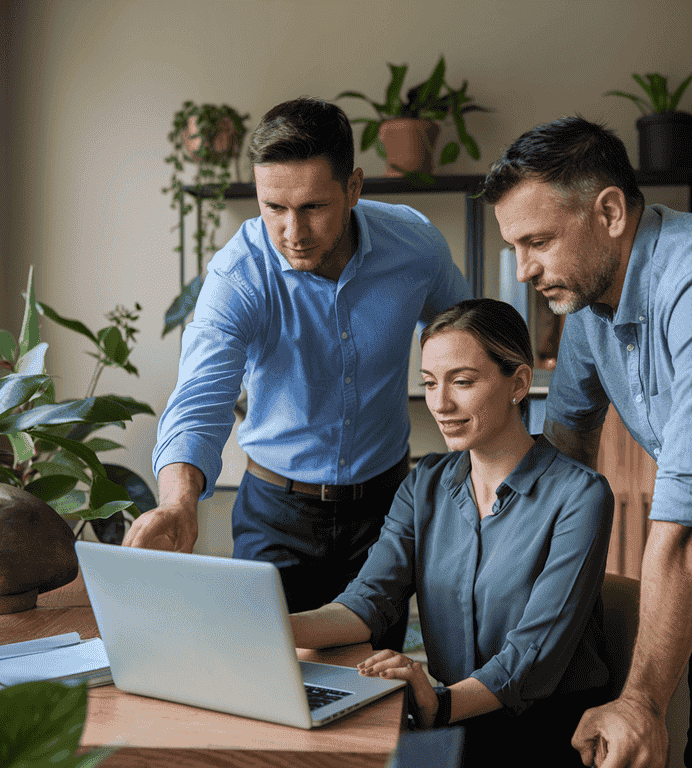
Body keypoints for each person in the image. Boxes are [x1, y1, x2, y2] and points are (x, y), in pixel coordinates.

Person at [123, 97, 471, 650]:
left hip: (385, 510)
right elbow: (200, 399)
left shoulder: (414, 245)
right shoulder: (239, 274)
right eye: (273, 208)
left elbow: (468, 335)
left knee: (375, 687)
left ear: (354, 188)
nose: (292, 230)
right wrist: (178, 501)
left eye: (313, 207)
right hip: (276, 516)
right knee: (262, 676)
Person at [480, 116, 692, 768]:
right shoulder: (587, 300)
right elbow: (568, 438)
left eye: (538, 242)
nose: (523, 269)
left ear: (609, 211)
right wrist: (528, 581)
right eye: (513, 247)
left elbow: (689, 521)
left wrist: (640, 702)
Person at [290, 298, 615, 763]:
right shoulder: (424, 484)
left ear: (518, 383)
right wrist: (273, 627)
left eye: (462, 382)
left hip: (549, 735)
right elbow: (369, 601)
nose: (440, 404)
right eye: (429, 383)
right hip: (454, 719)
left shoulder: (580, 496)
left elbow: (533, 654)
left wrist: (440, 704)